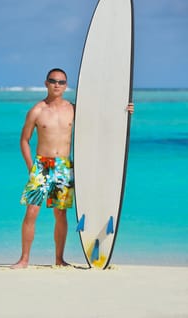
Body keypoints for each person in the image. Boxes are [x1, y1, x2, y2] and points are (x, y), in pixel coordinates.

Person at [12, 68, 134, 269]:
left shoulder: (73, 109)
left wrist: (124, 110)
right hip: (42, 166)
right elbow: (24, 140)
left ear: (66, 85)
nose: (57, 85)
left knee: (60, 214)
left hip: (63, 166)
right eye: (53, 81)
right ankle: (24, 259)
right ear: (46, 83)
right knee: (32, 212)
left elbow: (100, 121)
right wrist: (31, 167)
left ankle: (59, 259)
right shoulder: (37, 111)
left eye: (61, 82)